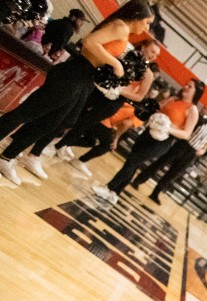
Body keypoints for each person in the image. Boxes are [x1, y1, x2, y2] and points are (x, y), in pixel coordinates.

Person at [0, 0, 154, 186]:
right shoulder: (120, 26)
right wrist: (115, 64)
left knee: (53, 122)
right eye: (147, 22)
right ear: (137, 17)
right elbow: (89, 42)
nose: (146, 28)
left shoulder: (124, 31)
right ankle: (8, 156)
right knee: (28, 112)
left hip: (85, 78)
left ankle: (8, 157)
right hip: (74, 73)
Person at [43, 40, 162, 178]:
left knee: (85, 123)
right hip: (100, 89)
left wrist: (119, 90)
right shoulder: (126, 55)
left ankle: (57, 146)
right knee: (74, 113)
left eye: (156, 54)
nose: (153, 56)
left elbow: (140, 96)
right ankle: (49, 139)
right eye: (152, 51)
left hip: (115, 100)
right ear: (144, 46)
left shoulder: (148, 73)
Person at [93, 78, 203, 204]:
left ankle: (109, 188)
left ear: (196, 93)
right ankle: (115, 193)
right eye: (186, 84)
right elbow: (157, 110)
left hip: (163, 140)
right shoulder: (173, 99)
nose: (186, 87)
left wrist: (168, 128)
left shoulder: (192, 110)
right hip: (148, 133)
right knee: (133, 162)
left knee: (133, 160)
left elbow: (186, 134)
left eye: (190, 87)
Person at [133, 109, 207, 204]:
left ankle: (155, 193)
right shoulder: (201, 121)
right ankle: (138, 180)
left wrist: (203, 150)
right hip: (183, 145)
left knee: (173, 174)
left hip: (192, 153)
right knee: (160, 163)